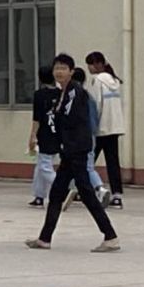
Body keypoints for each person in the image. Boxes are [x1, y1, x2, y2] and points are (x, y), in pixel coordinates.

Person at [26, 54, 119, 252]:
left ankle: (110, 236)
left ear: (71, 71)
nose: (59, 72)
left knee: (86, 193)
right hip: (69, 150)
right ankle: (45, 238)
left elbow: (70, 121)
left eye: (63, 68)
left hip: (76, 149)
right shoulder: (64, 92)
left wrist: (62, 139)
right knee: (57, 193)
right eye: (56, 68)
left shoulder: (75, 93)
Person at [61, 68, 112, 212]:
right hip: (91, 135)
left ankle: (99, 188)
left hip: (80, 137)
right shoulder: (88, 96)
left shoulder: (75, 97)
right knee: (79, 167)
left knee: (86, 167)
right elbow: (95, 117)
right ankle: (76, 191)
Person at [84, 51, 125, 209]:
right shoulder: (114, 81)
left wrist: (92, 126)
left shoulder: (97, 80)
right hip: (114, 127)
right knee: (113, 162)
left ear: (98, 64)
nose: (89, 68)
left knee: (87, 161)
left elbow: (95, 105)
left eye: (90, 64)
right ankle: (117, 195)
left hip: (100, 127)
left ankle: (82, 189)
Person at [28, 65, 59, 208]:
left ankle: (63, 187)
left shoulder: (39, 95)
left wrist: (32, 136)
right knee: (40, 166)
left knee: (45, 166)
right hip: (57, 133)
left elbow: (37, 118)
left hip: (45, 134)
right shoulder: (60, 93)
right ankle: (39, 196)